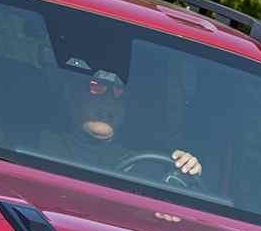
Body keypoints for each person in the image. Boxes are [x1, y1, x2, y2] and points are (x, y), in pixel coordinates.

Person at [38, 64, 201, 180]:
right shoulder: (33, 146)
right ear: (72, 96)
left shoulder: (146, 164)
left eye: (119, 93)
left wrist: (185, 170)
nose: (108, 101)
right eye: (97, 87)